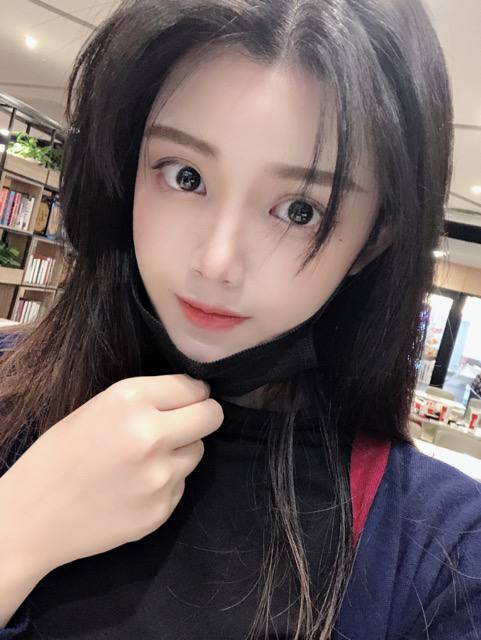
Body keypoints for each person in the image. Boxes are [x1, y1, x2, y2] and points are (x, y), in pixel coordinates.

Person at [0, 0, 479, 638]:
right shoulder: (9, 384)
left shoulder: (440, 553)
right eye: (186, 176)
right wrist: (18, 532)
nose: (216, 262)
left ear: (373, 240)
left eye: (300, 210)